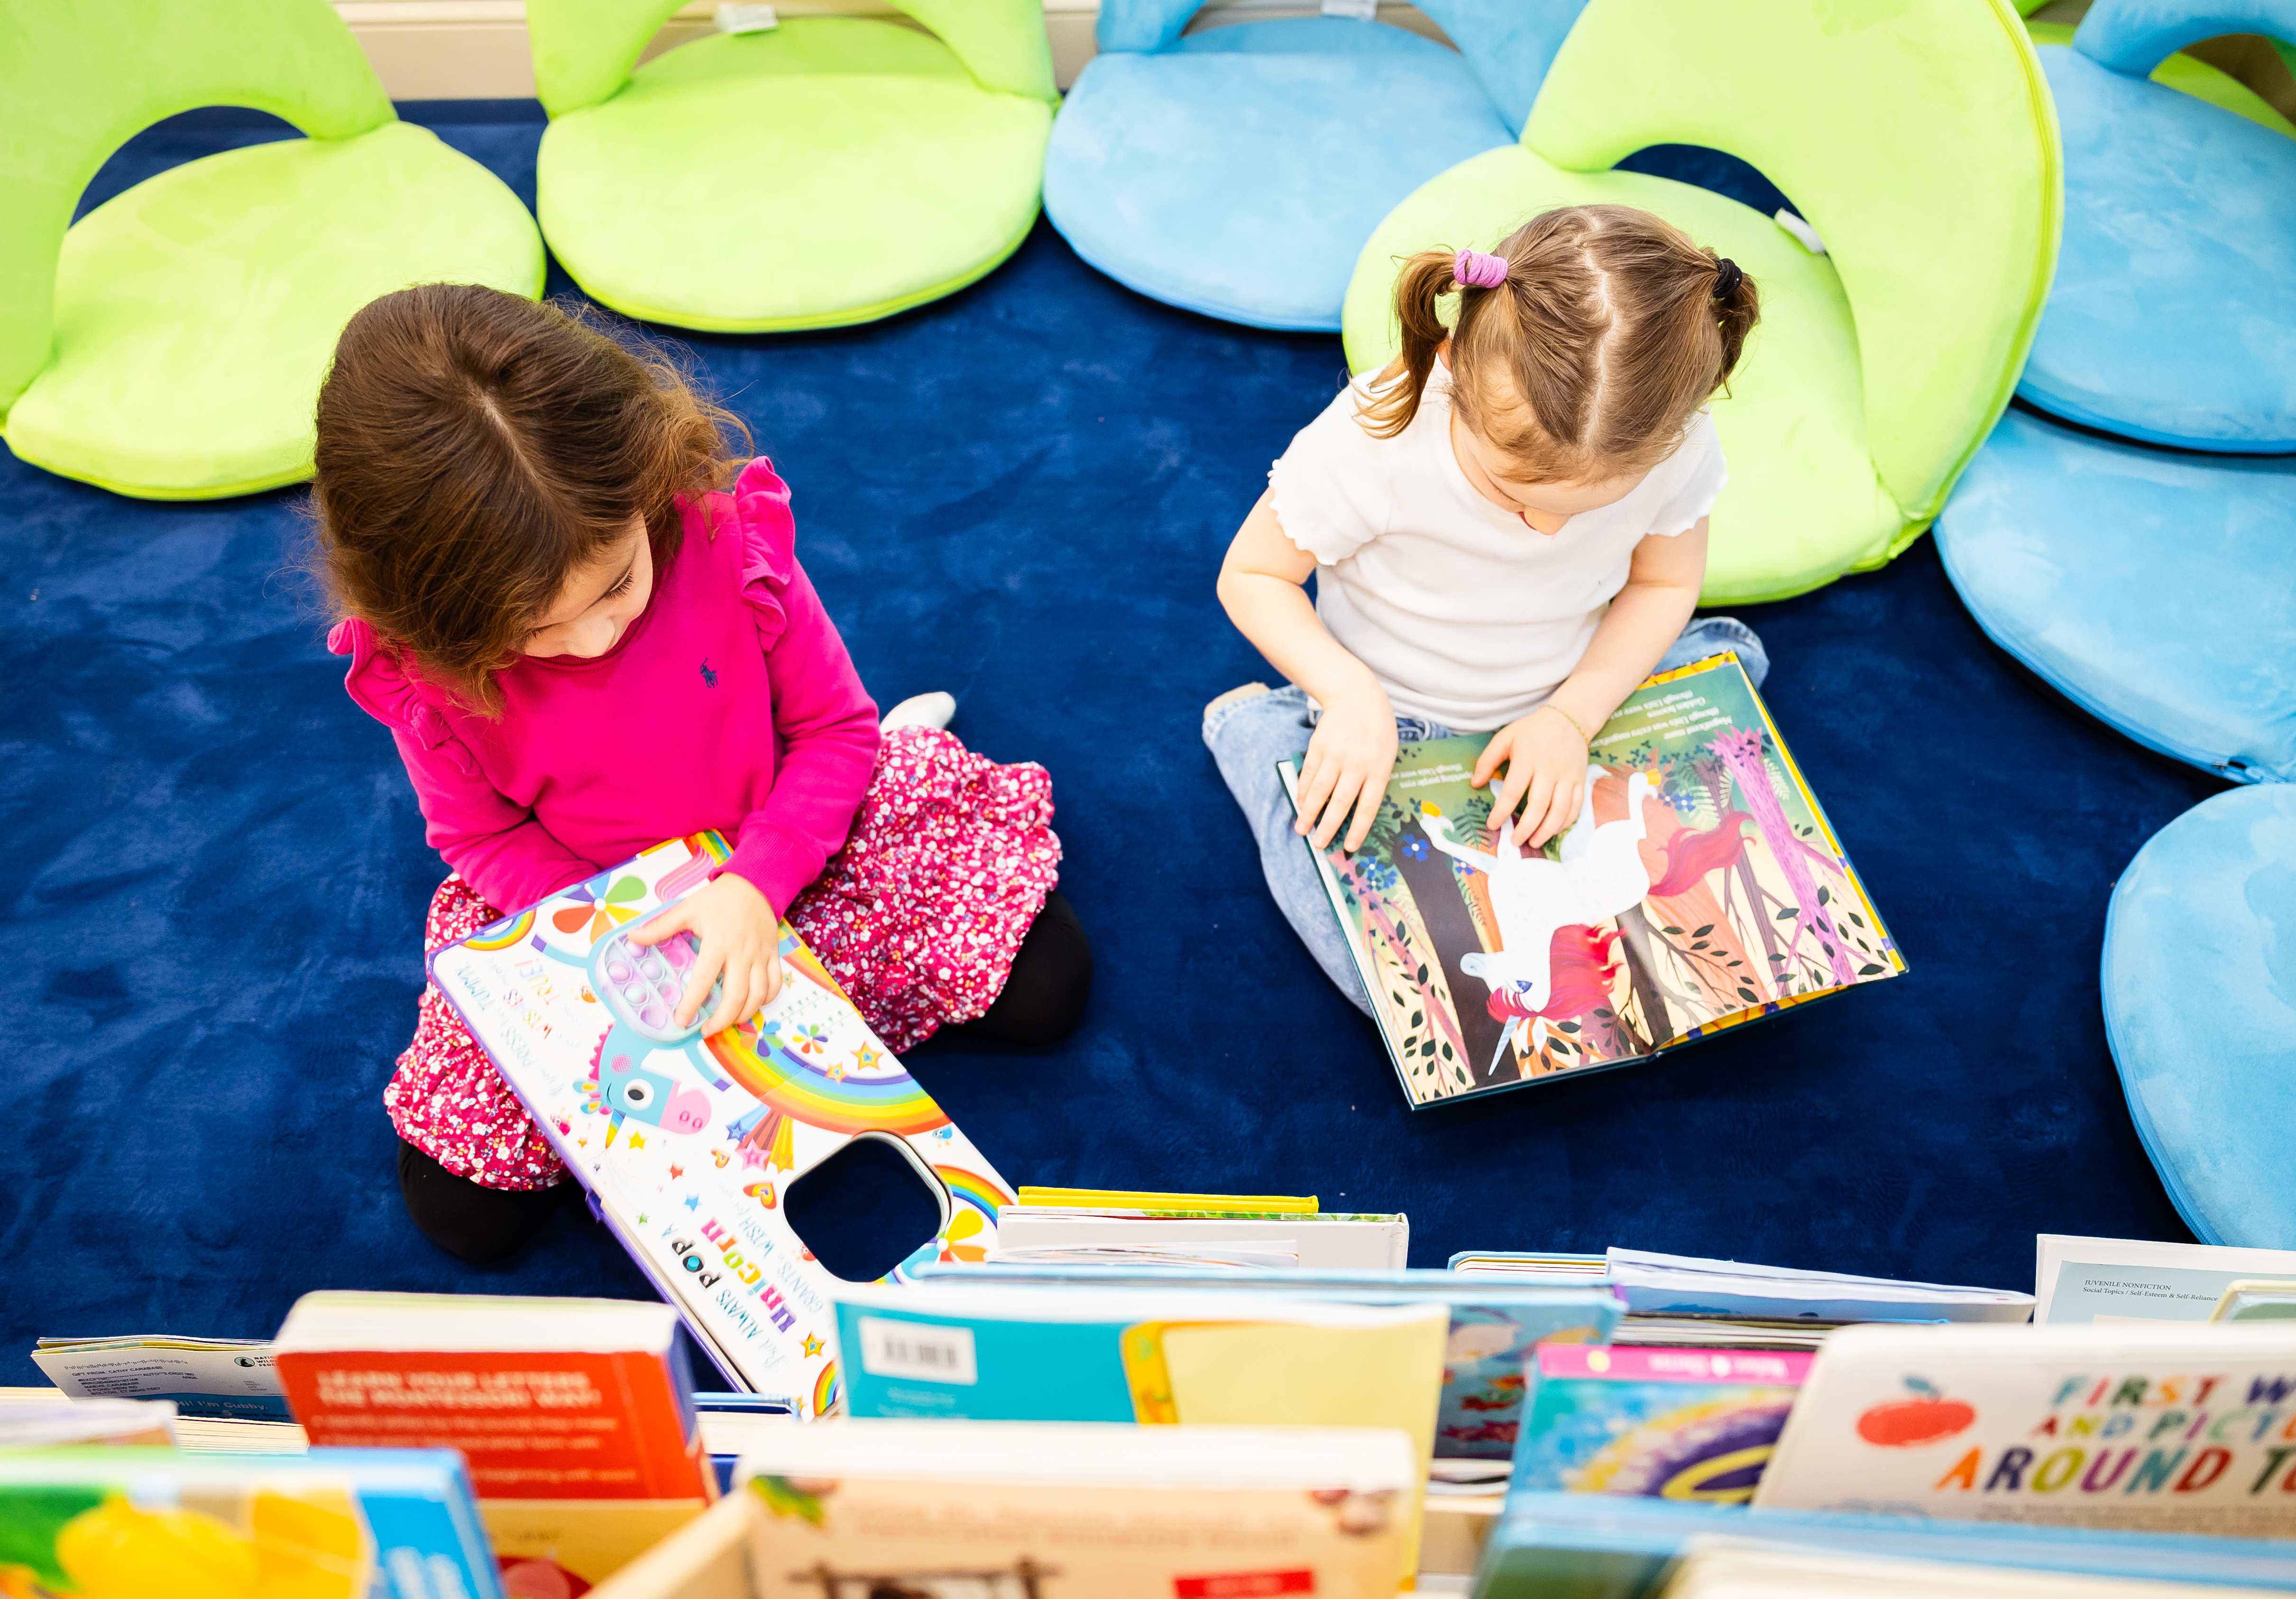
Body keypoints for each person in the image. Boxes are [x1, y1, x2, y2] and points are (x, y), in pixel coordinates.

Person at [312, 285, 1090, 1264]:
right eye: (533, 632)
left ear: (643, 480)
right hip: (595, 913)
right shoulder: (427, 665)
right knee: (465, 1213)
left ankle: (899, 790)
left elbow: (836, 734)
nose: (594, 638)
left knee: (1052, 987)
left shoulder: (724, 540)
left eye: (616, 586)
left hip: (789, 851)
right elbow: (480, 838)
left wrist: (754, 888)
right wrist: (613, 929)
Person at [1207, 203, 1768, 1011]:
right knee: (1397, 984)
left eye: (1585, 508)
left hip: (1567, 696)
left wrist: (1571, 718)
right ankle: (1257, 733)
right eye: (1515, 494)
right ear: (1451, 365)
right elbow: (1252, 576)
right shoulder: (1374, 436)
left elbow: (1662, 586)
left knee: (1734, 661)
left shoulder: (1675, 438)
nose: (1546, 530)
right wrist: (1347, 694)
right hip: (1392, 722)